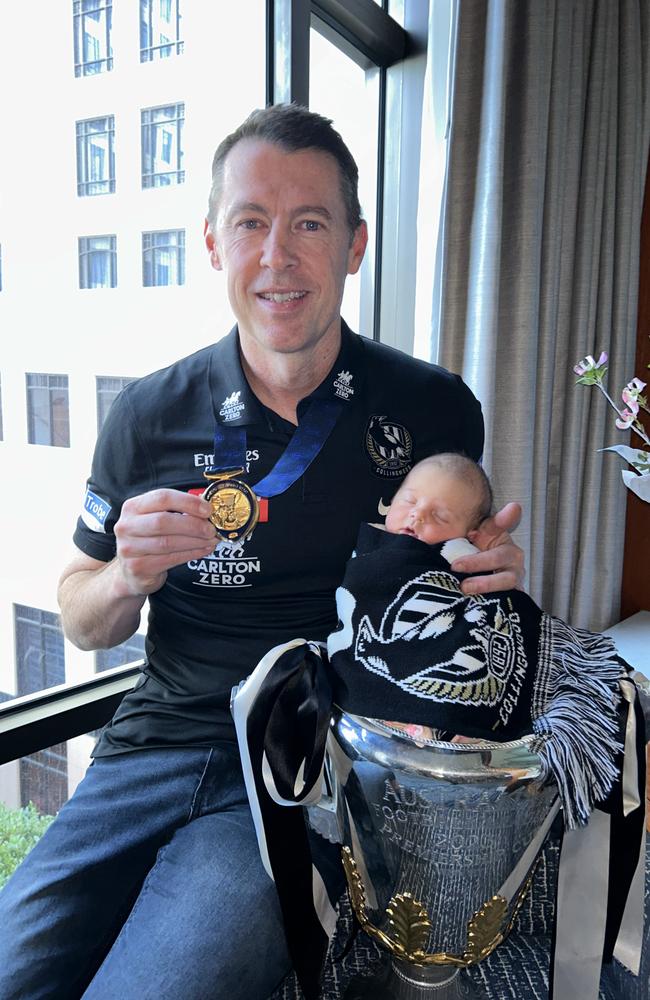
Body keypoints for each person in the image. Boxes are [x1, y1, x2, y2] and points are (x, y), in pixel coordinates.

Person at [0, 104, 524, 1000]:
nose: (276, 255)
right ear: (212, 243)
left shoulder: (435, 408)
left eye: (309, 223)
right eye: (250, 222)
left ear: (355, 244)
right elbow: (83, 617)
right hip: (155, 743)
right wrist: (128, 573)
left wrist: (492, 583)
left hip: (304, 762)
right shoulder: (148, 415)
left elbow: (465, 586)